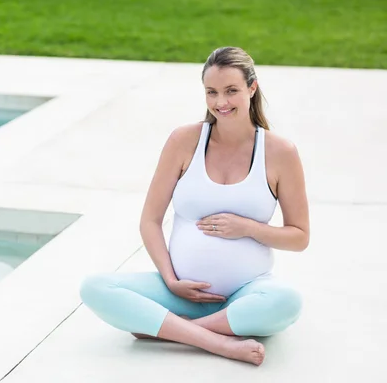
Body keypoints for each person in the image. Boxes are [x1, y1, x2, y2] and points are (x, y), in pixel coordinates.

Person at [79, 46, 310, 366]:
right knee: (95, 287)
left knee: (287, 302)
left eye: (231, 91)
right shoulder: (183, 140)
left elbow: (299, 236)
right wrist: (171, 280)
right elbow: (150, 220)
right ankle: (221, 342)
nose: (221, 103)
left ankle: (175, 330)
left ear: (252, 88)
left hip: (245, 294)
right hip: (177, 292)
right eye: (211, 92)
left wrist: (248, 228)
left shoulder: (280, 152)